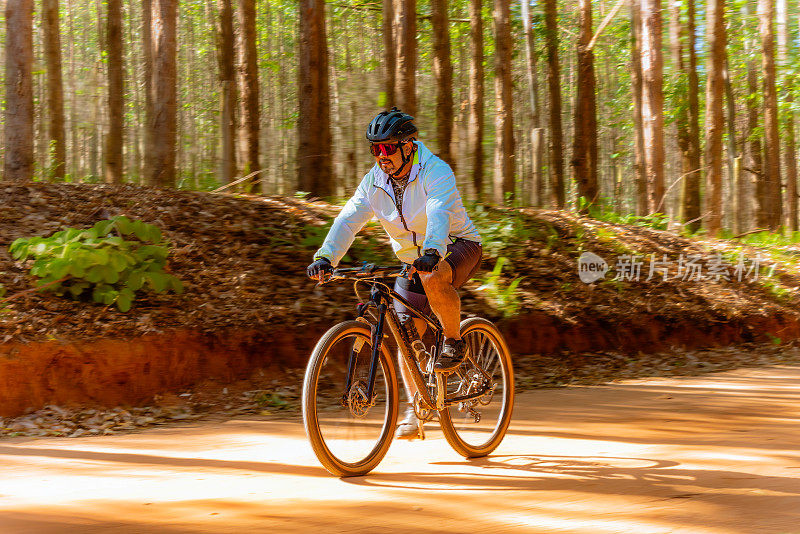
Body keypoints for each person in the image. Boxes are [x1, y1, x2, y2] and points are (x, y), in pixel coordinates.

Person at [306, 107, 482, 439]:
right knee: (404, 334)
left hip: (457, 245)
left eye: (387, 148)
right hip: (415, 260)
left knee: (433, 277)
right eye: (375, 149)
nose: (381, 156)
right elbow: (348, 219)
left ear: (408, 145)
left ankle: (454, 340)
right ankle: (418, 408)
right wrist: (326, 257)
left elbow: (438, 211)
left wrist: (433, 250)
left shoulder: (435, 170)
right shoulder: (374, 181)